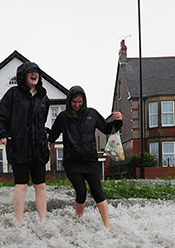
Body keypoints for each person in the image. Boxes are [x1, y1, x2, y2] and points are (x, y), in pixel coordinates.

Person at [48, 85, 123, 234]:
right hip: (72, 163)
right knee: (81, 192)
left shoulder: (92, 114)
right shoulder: (63, 117)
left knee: (98, 192)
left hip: (90, 161)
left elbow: (107, 129)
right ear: (69, 101)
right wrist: (42, 132)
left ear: (84, 101)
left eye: (80, 102)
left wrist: (118, 121)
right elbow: (53, 136)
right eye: (74, 102)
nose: (77, 105)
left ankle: (107, 226)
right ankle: (79, 220)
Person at [0, 61, 51, 226]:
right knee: (22, 184)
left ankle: (43, 220)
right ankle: (20, 222)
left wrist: (44, 131)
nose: (34, 74)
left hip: (38, 146)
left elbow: (40, 120)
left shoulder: (43, 97)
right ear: (24, 75)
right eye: (30, 72)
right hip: (19, 145)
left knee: (41, 185)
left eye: (36, 72)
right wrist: (2, 134)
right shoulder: (13, 94)